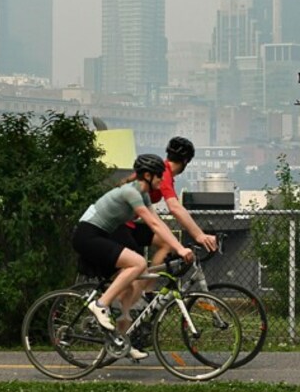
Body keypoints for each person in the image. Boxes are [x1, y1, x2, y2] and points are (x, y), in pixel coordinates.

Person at [72, 153, 194, 360]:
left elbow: (158, 224)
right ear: (147, 175)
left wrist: (178, 246)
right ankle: (100, 305)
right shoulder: (131, 193)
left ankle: (120, 340)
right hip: (87, 235)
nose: (161, 180)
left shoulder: (143, 194)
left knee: (129, 286)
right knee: (138, 263)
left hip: (101, 235)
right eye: (158, 176)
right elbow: (154, 224)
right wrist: (180, 249)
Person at [113, 137, 218, 286]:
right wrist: (199, 235)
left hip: (127, 223)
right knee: (136, 265)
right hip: (118, 225)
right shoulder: (163, 173)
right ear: (186, 162)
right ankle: (123, 300)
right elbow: (175, 207)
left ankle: (146, 294)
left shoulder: (162, 171)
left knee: (166, 243)